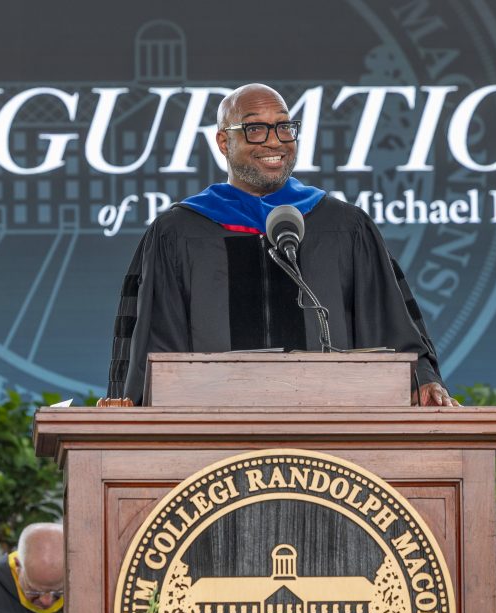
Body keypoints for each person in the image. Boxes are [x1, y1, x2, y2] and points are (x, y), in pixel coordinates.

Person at [107, 83, 457, 408]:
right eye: (255, 128)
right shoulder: (179, 231)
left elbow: (388, 317)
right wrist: (134, 401)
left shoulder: (344, 225)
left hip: (332, 426)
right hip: (212, 429)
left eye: (284, 127)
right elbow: (154, 340)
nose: (274, 141)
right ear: (224, 143)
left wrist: (420, 379)